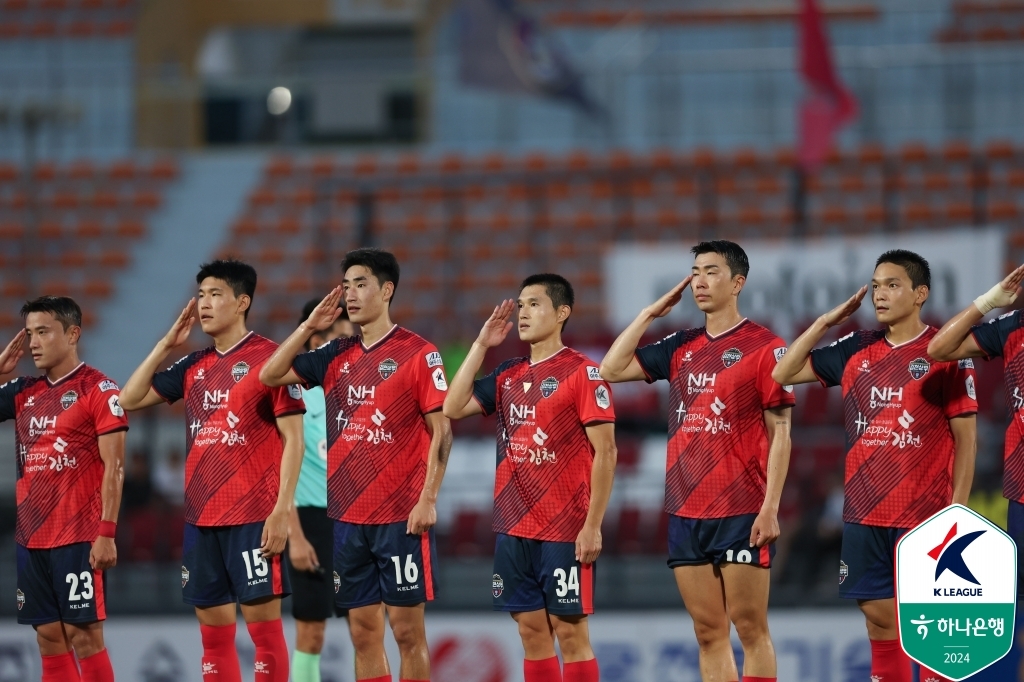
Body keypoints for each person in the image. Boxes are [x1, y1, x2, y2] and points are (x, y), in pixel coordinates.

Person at [772, 249, 977, 682]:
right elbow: (784, 373)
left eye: (892, 285)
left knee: (933, 628)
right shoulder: (856, 347)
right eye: (877, 285)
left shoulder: (947, 350)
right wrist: (827, 322)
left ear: (920, 293)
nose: (880, 294)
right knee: (880, 623)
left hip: (926, 516)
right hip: (864, 514)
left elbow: (967, 438)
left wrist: (957, 512)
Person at [600, 240, 794, 682]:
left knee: (750, 628)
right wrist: (650, 314)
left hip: (741, 508)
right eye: (695, 272)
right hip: (686, 508)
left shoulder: (765, 346)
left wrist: (770, 507)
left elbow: (781, 430)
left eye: (710, 271)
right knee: (708, 632)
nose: (699, 281)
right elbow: (610, 369)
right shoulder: (680, 344)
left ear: (737, 282)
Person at [260, 248, 452, 682]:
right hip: (347, 519)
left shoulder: (419, 353)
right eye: (345, 285)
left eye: (360, 283)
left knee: (406, 632)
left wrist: (428, 499)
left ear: (386, 290)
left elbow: (443, 433)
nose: (350, 293)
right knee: (364, 633)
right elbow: (270, 375)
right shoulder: (335, 354)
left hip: (401, 517)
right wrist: (309, 326)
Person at [118, 260, 305, 682]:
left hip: (253, 517)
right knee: (213, 642)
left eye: (215, 294)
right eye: (200, 294)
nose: (204, 303)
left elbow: (295, 440)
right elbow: (128, 398)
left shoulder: (272, 361)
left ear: (242, 302)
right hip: (202, 518)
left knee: (264, 634)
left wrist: (281, 510)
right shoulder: (193, 364)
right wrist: (167, 343)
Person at [443, 274, 616, 682]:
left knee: (571, 633)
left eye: (534, 304)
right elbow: (452, 405)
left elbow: (606, 451)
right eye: (521, 305)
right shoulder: (508, 373)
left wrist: (593, 525)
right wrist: (481, 345)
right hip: (514, 525)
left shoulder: (583, 373)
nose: (523, 312)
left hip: (564, 526)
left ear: (561, 313)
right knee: (531, 631)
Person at [0, 296, 127, 682]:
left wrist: (106, 532)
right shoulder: (22, 391)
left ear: (72, 334)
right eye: (29, 334)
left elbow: (115, 466)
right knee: (49, 638)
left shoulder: (99, 389)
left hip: (78, 536)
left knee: (85, 636)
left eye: (43, 332)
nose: (33, 343)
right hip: (32, 537)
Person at [288, 300, 354, 682]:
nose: (347, 347)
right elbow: (279, 474)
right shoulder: (294, 393)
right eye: (339, 338)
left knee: (365, 625)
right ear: (315, 337)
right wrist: (295, 537)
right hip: (311, 520)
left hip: (355, 521)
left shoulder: (358, 394)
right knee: (310, 630)